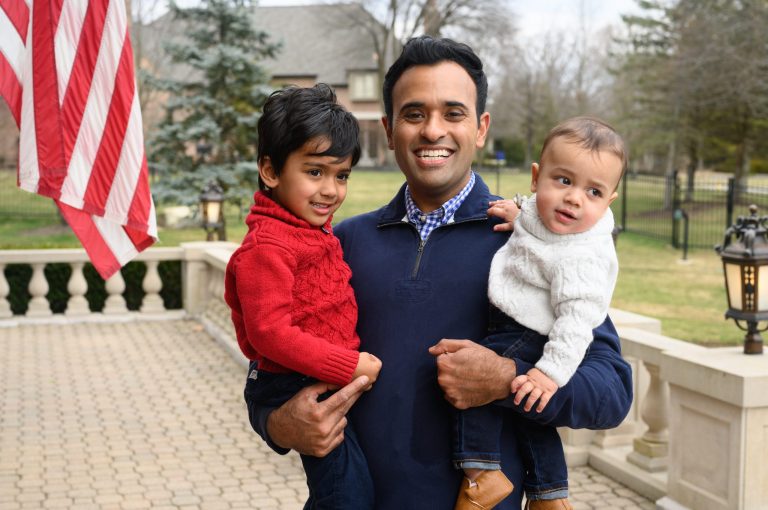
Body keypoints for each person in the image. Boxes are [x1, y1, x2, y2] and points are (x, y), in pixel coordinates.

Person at [247, 36, 634, 509]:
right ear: (389, 131)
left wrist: (509, 377)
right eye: (414, 115)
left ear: (480, 128)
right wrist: (277, 421)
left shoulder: (535, 242)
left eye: (453, 113)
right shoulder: (340, 242)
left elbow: (612, 390)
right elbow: (270, 360)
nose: (433, 130)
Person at [452, 117, 626, 510]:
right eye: (563, 181)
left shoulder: (581, 257)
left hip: (532, 332)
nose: (574, 198)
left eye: (593, 191)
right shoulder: (553, 221)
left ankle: (481, 473)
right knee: (529, 412)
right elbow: (541, 223)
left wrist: (550, 374)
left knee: (469, 383)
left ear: (609, 200)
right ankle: (550, 494)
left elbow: (578, 324)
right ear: (536, 177)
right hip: (528, 325)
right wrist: (520, 217)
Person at [224, 84, 382, 509]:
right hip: (288, 384)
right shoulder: (268, 246)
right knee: (345, 496)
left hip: (315, 378)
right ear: (271, 172)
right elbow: (269, 333)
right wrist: (348, 364)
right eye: (315, 172)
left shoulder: (309, 232)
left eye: (341, 175)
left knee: (351, 490)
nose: (330, 189)